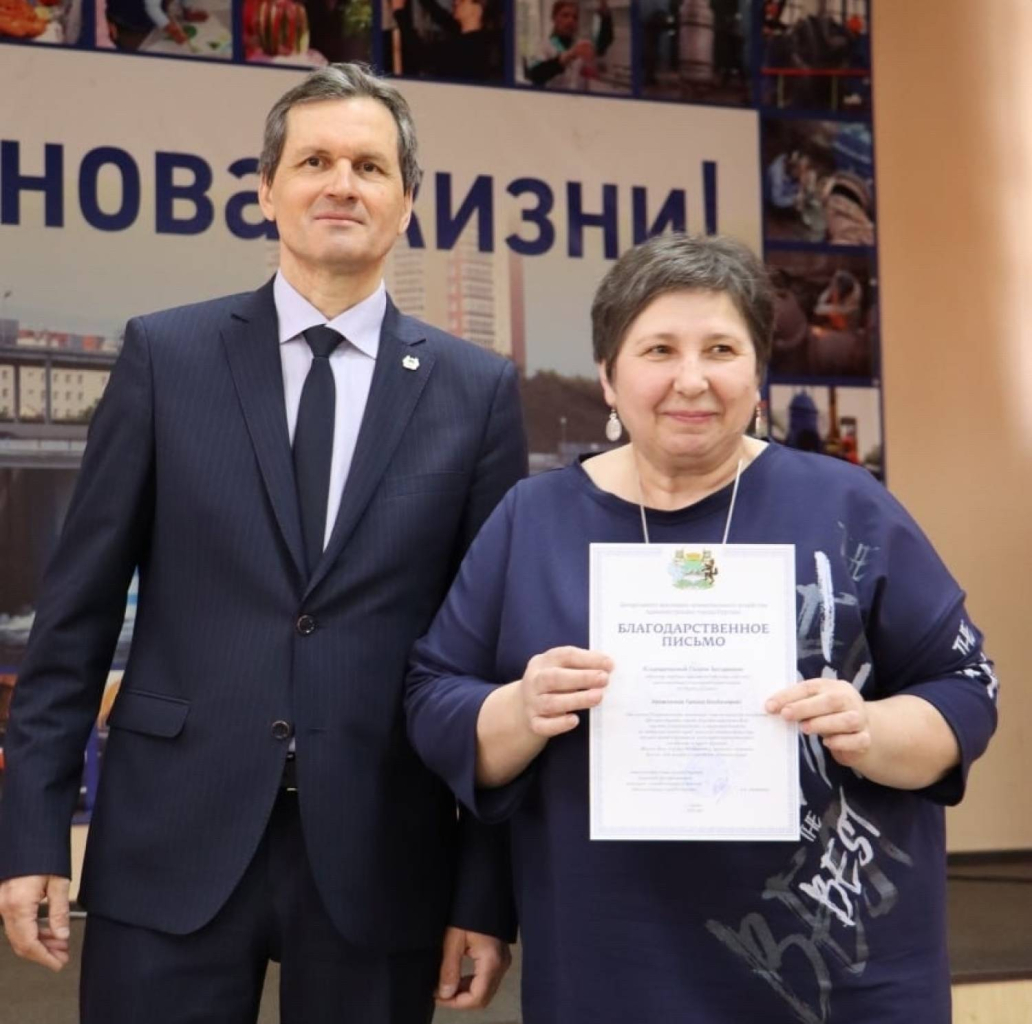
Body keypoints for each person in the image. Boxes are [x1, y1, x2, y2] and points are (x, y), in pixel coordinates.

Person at [0, 63, 526, 1024]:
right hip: (169, 838)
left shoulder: (476, 391)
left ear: (408, 202)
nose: (341, 184)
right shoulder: (166, 356)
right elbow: (73, 619)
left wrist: (483, 894)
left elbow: (495, 660)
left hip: (383, 850)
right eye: (314, 161)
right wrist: (32, 833)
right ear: (265, 192)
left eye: (370, 166)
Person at [404, 233, 998, 1023]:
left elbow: (966, 687)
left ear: (758, 374)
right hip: (610, 962)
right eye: (658, 349)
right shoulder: (533, 520)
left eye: (721, 349)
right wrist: (520, 709)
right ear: (608, 377)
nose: (691, 378)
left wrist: (872, 730)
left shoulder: (848, 506)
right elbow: (433, 696)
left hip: (834, 969)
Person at [391, 0, 502, 82]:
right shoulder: (478, 38)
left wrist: (399, 12)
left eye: (463, 1)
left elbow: (422, 56)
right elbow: (440, 16)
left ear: (477, 10)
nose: (456, 1)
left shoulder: (465, 47)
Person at [525, 0, 612, 90]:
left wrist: (605, 15)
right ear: (554, 18)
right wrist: (569, 56)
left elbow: (605, 41)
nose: (571, 20)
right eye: (565, 15)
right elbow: (535, 75)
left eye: (575, 17)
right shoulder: (544, 46)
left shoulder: (582, 45)